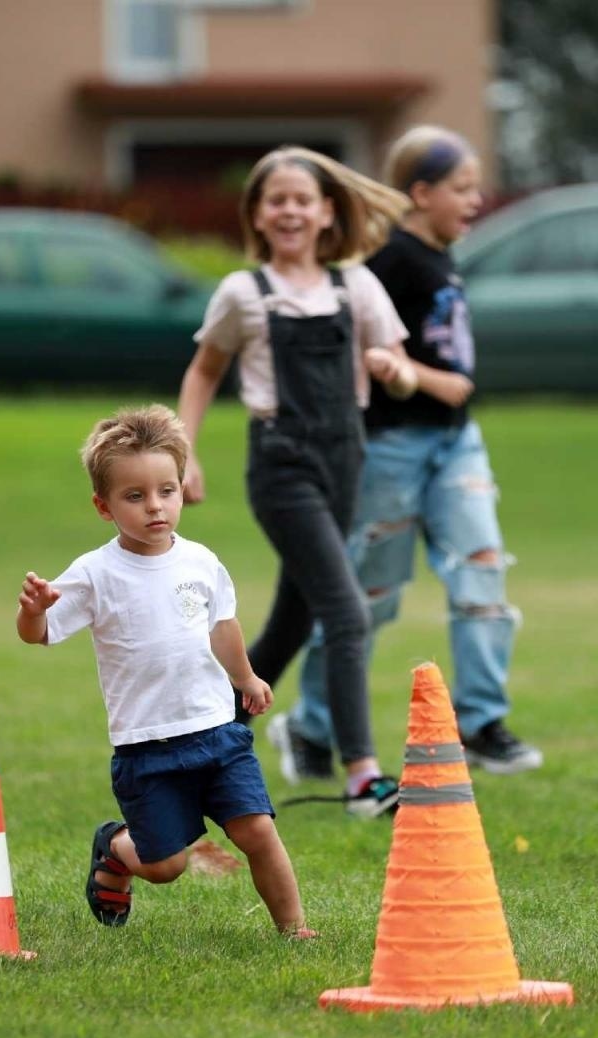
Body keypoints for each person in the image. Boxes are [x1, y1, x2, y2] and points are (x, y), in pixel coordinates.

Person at [269, 126, 543, 783]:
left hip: (455, 443)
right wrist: (401, 374)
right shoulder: (386, 264)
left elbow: (450, 374)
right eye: (462, 188)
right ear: (420, 194)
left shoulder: (441, 257)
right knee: (366, 599)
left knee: (481, 574)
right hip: (389, 450)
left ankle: (480, 724)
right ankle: (310, 725)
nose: (476, 200)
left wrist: (427, 378)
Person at [177, 146, 417, 818]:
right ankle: (363, 774)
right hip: (281, 467)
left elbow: (398, 362)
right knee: (346, 611)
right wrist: (184, 453)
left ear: (326, 212)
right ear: (257, 213)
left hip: (345, 460)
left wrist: (390, 368)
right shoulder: (242, 294)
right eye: (275, 199)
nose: (289, 210)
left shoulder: (357, 287)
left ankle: (203, 743)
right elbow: (203, 373)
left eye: (301, 199)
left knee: (293, 618)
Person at [16, 405, 315, 937]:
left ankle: (294, 931)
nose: (155, 506)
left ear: (182, 487)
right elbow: (38, 634)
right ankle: (115, 845)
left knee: (258, 831)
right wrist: (34, 609)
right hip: (147, 746)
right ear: (103, 505)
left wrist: (245, 677)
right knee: (165, 867)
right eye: (135, 496)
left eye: (167, 491)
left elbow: (222, 626)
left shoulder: (201, 561)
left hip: (217, 733)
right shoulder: (94, 573)